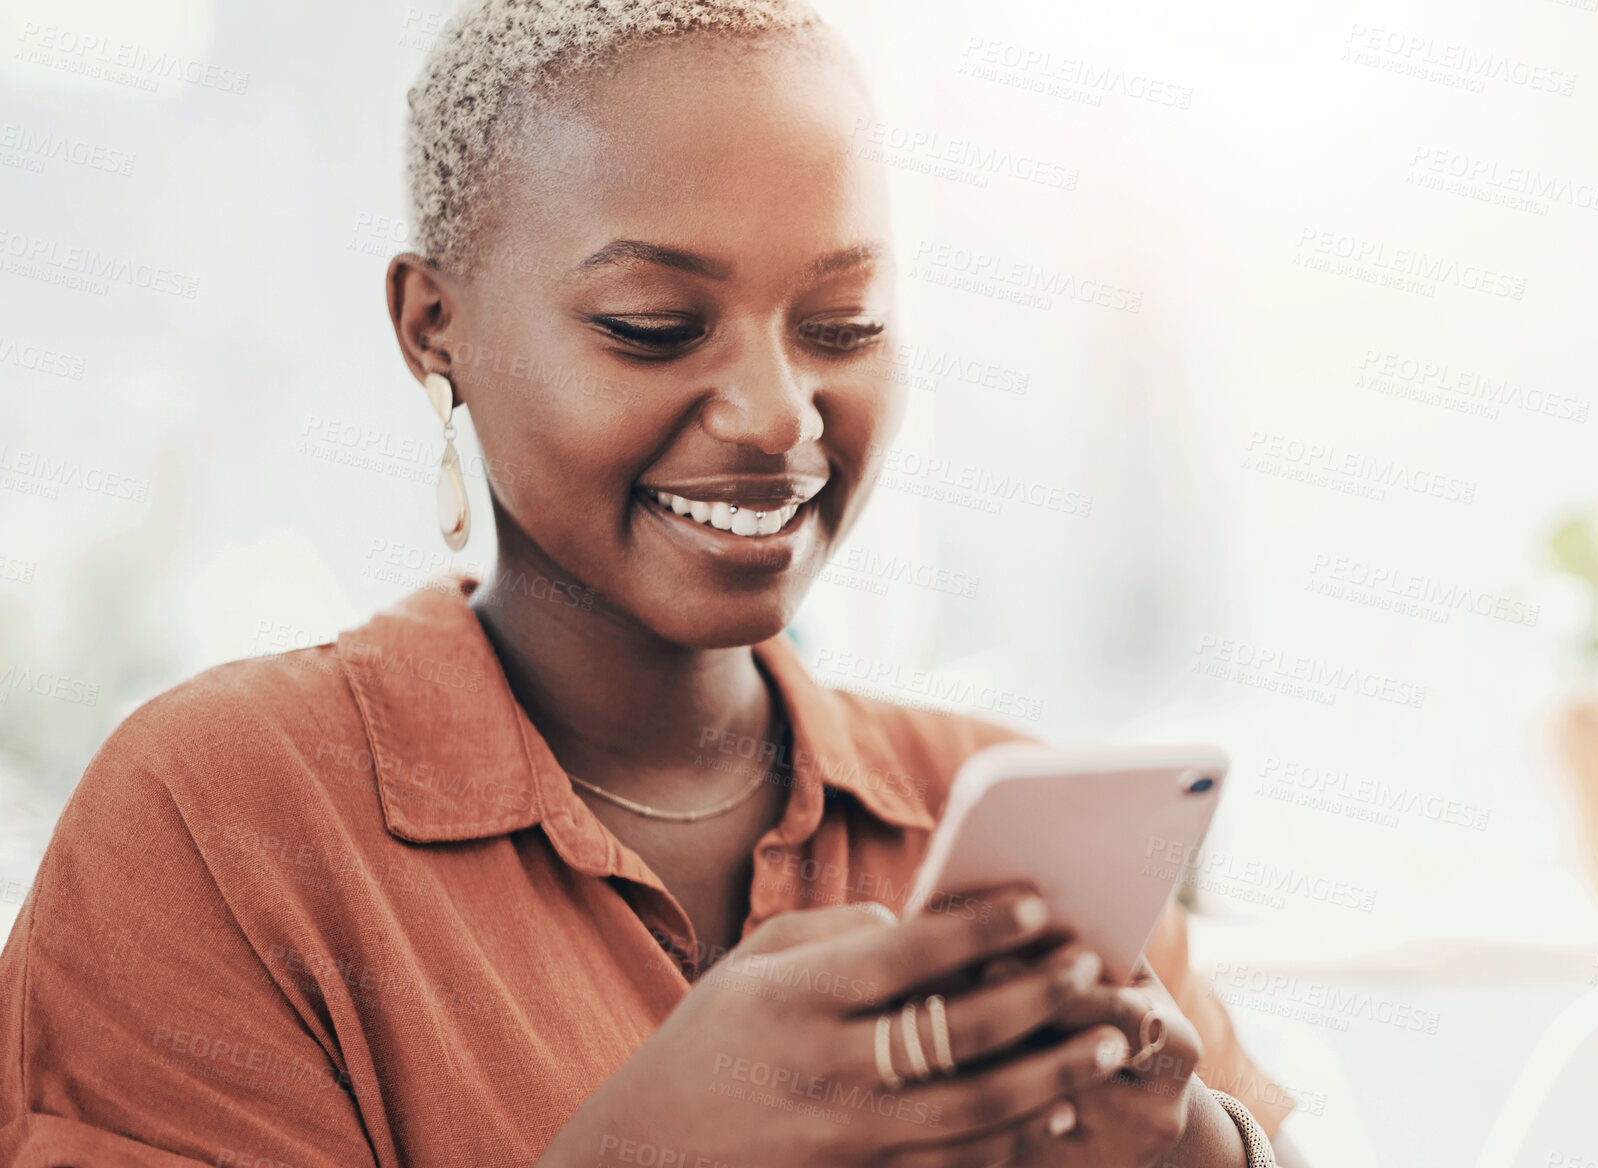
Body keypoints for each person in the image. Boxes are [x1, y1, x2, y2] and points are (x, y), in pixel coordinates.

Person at [0, 2, 1307, 1164]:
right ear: (431, 327)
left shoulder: (993, 818)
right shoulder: (220, 815)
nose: (775, 413)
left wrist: (1202, 1151)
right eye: (652, 329)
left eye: (840, 326)